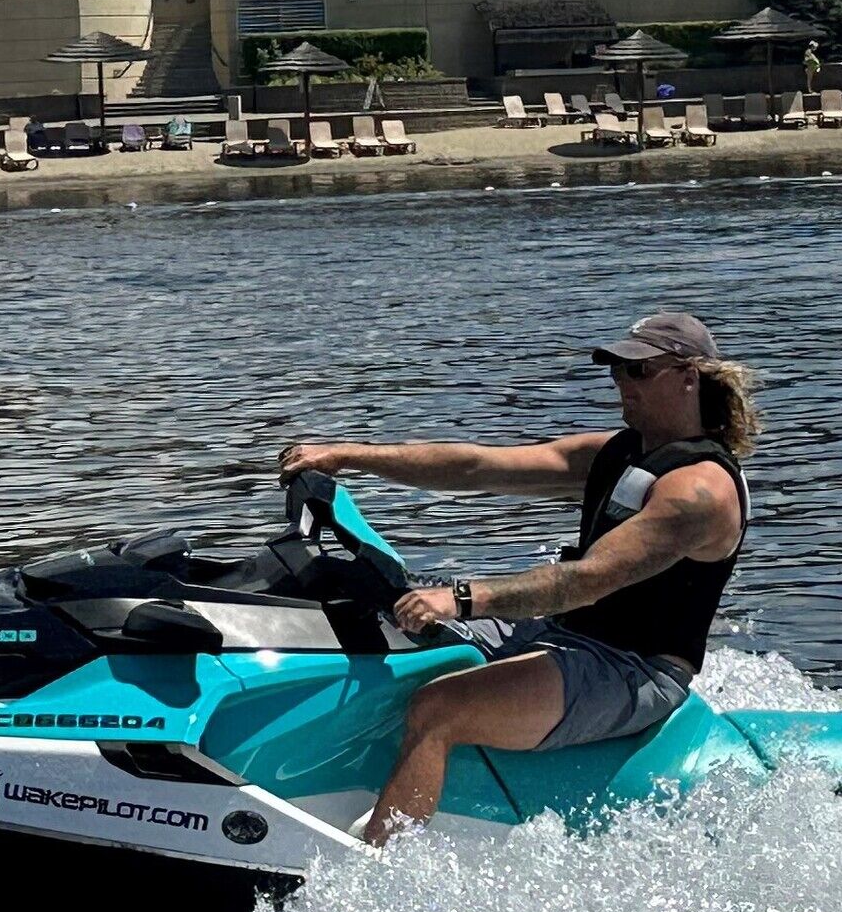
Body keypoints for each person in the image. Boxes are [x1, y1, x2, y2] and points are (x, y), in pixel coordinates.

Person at [275, 310, 754, 844]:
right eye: (616, 368)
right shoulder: (619, 452)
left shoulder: (700, 493)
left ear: (689, 377)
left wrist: (462, 598)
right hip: (568, 637)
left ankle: (373, 870)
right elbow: (476, 466)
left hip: (630, 671)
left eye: (638, 370)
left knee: (439, 708)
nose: (622, 381)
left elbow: (590, 579)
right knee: (392, 622)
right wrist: (346, 455)